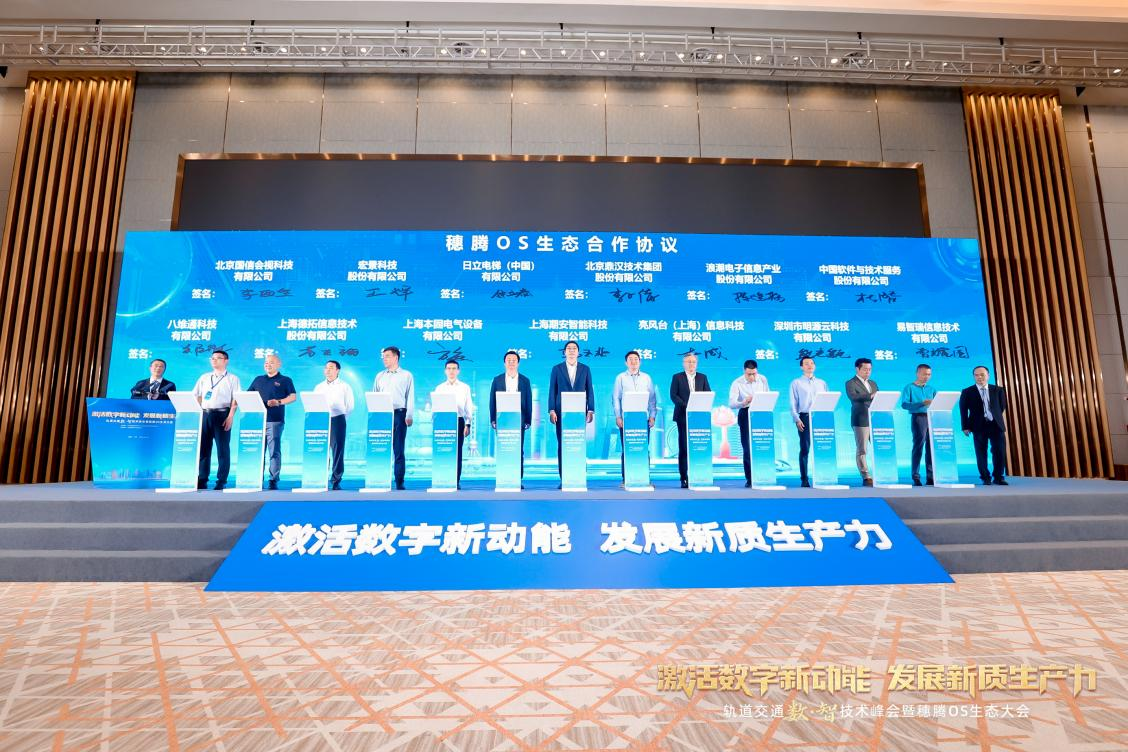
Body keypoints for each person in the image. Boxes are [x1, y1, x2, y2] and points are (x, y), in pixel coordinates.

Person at [547, 340, 595, 487]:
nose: (572, 350)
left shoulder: (585, 369)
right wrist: (551, 410)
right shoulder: (557, 369)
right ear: (564, 352)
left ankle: (579, 477)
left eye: (574, 348)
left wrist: (591, 409)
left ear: (578, 352)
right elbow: (552, 390)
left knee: (578, 444)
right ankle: (564, 478)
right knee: (563, 445)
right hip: (561, 413)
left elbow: (590, 390)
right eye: (569, 348)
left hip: (579, 413)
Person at [192, 350, 241, 490]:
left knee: (223, 449)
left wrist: (230, 417)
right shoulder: (204, 377)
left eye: (218, 358)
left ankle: (221, 480)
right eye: (212, 358)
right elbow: (197, 395)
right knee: (203, 449)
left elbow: (235, 399)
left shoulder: (233, 378)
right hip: (205, 414)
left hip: (222, 415)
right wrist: (199, 411)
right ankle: (202, 479)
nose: (214, 360)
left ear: (226, 361)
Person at [248, 353, 296, 490]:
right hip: (257, 421)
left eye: (271, 362)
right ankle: (256, 478)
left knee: (274, 451)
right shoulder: (258, 379)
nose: (268, 364)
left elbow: (293, 397)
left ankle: (273, 479)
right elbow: (248, 395)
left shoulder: (285, 380)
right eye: (266, 362)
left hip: (274, 420)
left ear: (279, 364)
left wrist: (279, 402)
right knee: (257, 451)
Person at [612, 350, 658, 486]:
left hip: (643, 418)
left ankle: (645, 478)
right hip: (626, 419)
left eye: (636, 359)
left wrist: (652, 416)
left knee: (643, 449)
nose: (633, 362)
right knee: (627, 449)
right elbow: (616, 398)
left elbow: (652, 399)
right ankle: (626, 478)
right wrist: (618, 416)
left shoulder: (646, 378)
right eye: (630, 359)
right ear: (626, 363)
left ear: (640, 362)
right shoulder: (620, 378)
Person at [488, 350, 532, 485]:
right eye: (509, 360)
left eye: (514, 360)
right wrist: (493, 419)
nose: (511, 362)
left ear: (518, 363)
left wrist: (528, 419)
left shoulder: (525, 380)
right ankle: (504, 478)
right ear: (504, 363)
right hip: (502, 419)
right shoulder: (497, 380)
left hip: (519, 420)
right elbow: (492, 400)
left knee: (518, 450)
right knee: (504, 449)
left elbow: (528, 400)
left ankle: (517, 479)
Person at [373, 346, 414, 490]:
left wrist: (409, 415)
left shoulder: (406, 375)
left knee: (398, 449)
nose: (384, 359)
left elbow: (410, 396)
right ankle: (379, 479)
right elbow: (374, 395)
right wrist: (375, 415)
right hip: (382, 414)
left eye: (388, 356)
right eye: (383, 356)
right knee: (380, 448)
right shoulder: (379, 376)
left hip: (400, 414)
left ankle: (399, 481)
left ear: (396, 357)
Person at [960, 365, 1008, 485]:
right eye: (976, 375)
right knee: (981, 452)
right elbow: (963, 410)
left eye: (982, 374)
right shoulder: (967, 391)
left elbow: (1002, 407)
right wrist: (965, 426)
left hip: (996, 425)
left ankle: (998, 477)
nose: (979, 377)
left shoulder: (998, 390)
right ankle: (985, 477)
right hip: (978, 425)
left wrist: (993, 416)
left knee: (999, 451)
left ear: (988, 375)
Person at [670, 353, 711, 488]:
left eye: (693, 362)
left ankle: (700, 475)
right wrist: (687, 405)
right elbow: (673, 395)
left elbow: (708, 393)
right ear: (684, 364)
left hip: (699, 417)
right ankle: (684, 477)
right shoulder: (677, 377)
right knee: (684, 447)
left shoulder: (703, 377)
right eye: (688, 362)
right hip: (683, 416)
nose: (691, 364)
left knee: (699, 446)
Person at [728, 359, 769, 488]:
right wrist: (743, 402)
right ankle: (750, 478)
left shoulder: (762, 379)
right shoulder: (737, 383)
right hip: (745, 413)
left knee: (762, 445)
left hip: (761, 413)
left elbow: (768, 395)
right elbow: (731, 403)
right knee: (747, 447)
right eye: (749, 374)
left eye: (754, 374)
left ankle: (764, 475)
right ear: (744, 371)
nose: (752, 377)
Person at [434, 359, 474, 489]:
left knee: (457, 452)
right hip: (443, 421)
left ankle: (455, 481)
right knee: (443, 450)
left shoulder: (465, 387)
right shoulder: (439, 388)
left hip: (459, 420)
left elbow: (468, 407)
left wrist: (468, 424)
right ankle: (442, 478)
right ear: (445, 371)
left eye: (454, 368)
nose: (451, 371)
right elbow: (436, 407)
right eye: (449, 368)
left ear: (458, 371)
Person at [315, 360, 355, 490]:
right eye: (326, 368)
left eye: (331, 368)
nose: (327, 370)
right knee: (321, 448)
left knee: (337, 450)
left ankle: (336, 480)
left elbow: (350, 406)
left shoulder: (344, 386)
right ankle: (320, 478)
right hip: (321, 420)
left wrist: (342, 419)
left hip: (338, 419)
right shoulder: (319, 387)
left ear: (337, 370)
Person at [788, 356, 827, 488]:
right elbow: (793, 403)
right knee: (805, 448)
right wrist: (796, 419)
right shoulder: (796, 383)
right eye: (806, 364)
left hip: (820, 417)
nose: (809, 365)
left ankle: (822, 476)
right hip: (804, 417)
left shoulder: (822, 383)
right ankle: (804, 479)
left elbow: (827, 399)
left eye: (811, 363)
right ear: (801, 367)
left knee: (822, 447)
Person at [900, 363, 936, 486]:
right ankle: (915, 476)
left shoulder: (931, 389)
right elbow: (904, 404)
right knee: (918, 446)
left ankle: (931, 476)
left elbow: (936, 404)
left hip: (932, 418)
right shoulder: (909, 387)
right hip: (918, 418)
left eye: (929, 374)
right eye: (924, 374)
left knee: (931, 448)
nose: (927, 377)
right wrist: (921, 403)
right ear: (917, 373)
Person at [845, 357, 877, 487]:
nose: (868, 372)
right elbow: (853, 397)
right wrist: (870, 396)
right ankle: (866, 476)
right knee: (862, 449)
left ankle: (881, 472)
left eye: (870, 369)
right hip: (860, 419)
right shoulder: (850, 383)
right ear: (857, 369)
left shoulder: (873, 383)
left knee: (879, 447)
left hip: (875, 419)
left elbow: (878, 398)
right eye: (865, 369)